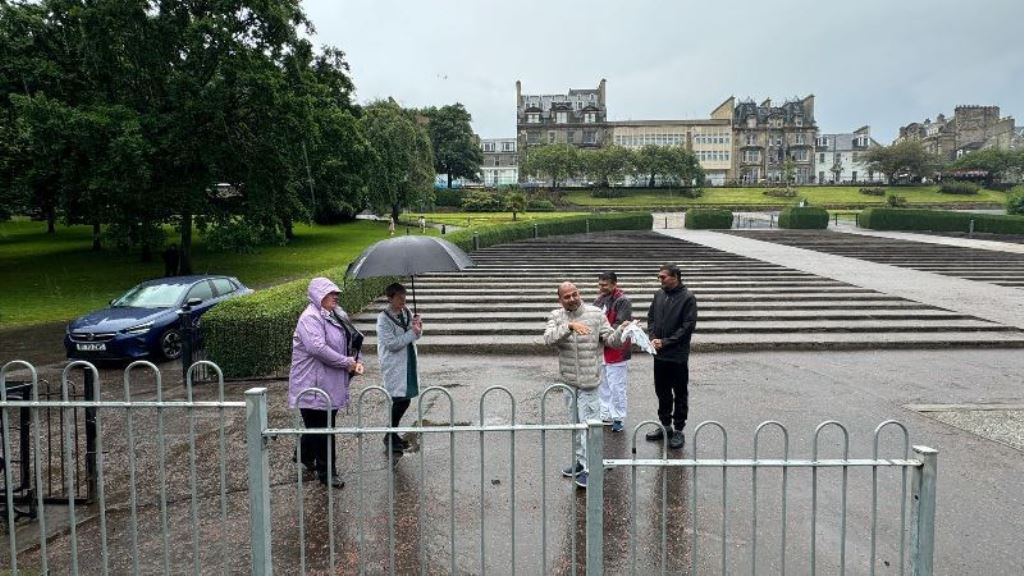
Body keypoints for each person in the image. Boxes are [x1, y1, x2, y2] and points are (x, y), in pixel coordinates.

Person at [543, 281, 633, 489]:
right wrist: (569, 327)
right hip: (569, 381)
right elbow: (548, 339)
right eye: (567, 296)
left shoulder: (594, 314)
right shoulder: (556, 316)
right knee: (575, 425)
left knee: (590, 427)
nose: (572, 298)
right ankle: (580, 462)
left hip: (589, 382)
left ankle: (591, 468)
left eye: (575, 294)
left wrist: (621, 331)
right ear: (560, 300)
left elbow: (611, 340)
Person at [288, 277, 365, 488]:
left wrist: (357, 360)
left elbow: (352, 338)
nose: (335, 296)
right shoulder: (309, 318)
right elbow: (317, 348)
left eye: (336, 293)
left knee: (320, 426)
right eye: (330, 293)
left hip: (329, 382)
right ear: (317, 296)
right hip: (312, 385)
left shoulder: (336, 314)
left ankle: (303, 454)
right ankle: (327, 473)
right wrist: (346, 362)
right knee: (324, 430)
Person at [645, 264, 698, 450]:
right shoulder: (659, 294)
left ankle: (678, 430)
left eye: (663, 277)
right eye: (659, 277)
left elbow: (687, 327)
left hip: (677, 355)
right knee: (662, 391)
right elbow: (651, 317)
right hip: (659, 354)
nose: (660, 280)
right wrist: (652, 338)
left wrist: (665, 342)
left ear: (675, 277)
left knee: (680, 393)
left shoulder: (688, 298)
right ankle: (665, 425)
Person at [376, 282, 423, 454]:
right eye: (399, 298)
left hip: (408, 361)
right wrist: (412, 333)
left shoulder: (407, 312)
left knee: (406, 398)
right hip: (394, 364)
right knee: (399, 400)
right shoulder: (383, 319)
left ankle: (392, 433)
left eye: (404, 297)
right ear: (390, 298)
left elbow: (415, 336)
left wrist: (418, 327)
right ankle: (389, 435)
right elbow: (391, 344)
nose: (403, 300)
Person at [593, 271, 632, 433]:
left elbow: (620, 323)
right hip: (602, 348)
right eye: (600, 284)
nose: (601, 288)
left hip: (616, 349)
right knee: (603, 385)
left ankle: (618, 418)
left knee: (617, 386)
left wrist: (603, 335)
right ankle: (606, 413)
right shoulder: (599, 300)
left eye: (605, 285)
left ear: (614, 284)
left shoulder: (622, 301)